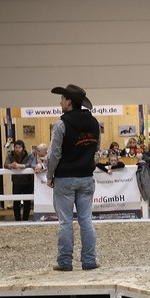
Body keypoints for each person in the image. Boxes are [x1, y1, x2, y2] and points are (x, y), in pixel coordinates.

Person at [47, 84, 100, 270]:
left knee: (65, 222)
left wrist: (49, 174)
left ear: (69, 102)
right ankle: (89, 260)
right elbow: (96, 151)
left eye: (62, 98)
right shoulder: (94, 123)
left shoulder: (61, 125)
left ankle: (64, 262)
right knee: (86, 220)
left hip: (65, 178)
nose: (60, 101)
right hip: (86, 177)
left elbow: (54, 154)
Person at [4, 140, 34, 221]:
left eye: (19, 147)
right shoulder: (10, 155)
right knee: (16, 201)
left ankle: (25, 219)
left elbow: (30, 164)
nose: (17, 149)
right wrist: (11, 165)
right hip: (16, 182)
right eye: (16, 147)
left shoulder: (29, 155)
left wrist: (19, 166)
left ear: (23, 148)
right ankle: (17, 218)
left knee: (27, 202)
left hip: (28, 182)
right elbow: (5, 165)